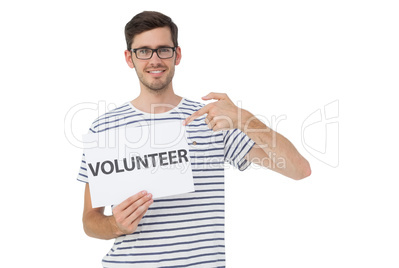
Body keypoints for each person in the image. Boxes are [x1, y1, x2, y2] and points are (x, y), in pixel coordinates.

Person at [77, 11, 311, 267]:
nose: (154, 60)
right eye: (143, 51)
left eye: (163, 49)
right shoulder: (104, 129)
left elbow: (298, 169)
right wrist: (114, 225)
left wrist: (245, 119)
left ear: (177, 54)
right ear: (129, 58)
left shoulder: (213, 119)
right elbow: (90, 220)